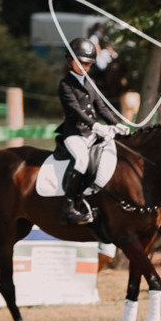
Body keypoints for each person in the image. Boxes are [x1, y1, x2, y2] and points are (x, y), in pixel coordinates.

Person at [55, 37, 128, 224]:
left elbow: (101, 108)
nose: (84, 67)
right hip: (74, 134)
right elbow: (75, 111)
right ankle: (68, 207)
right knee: (82, 160)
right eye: (80, 63)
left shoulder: (91, 82)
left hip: (91, 134)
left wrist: (116, 123)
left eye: (88, 64)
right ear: (70, 60)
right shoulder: (65, 85)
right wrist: (95, 126)